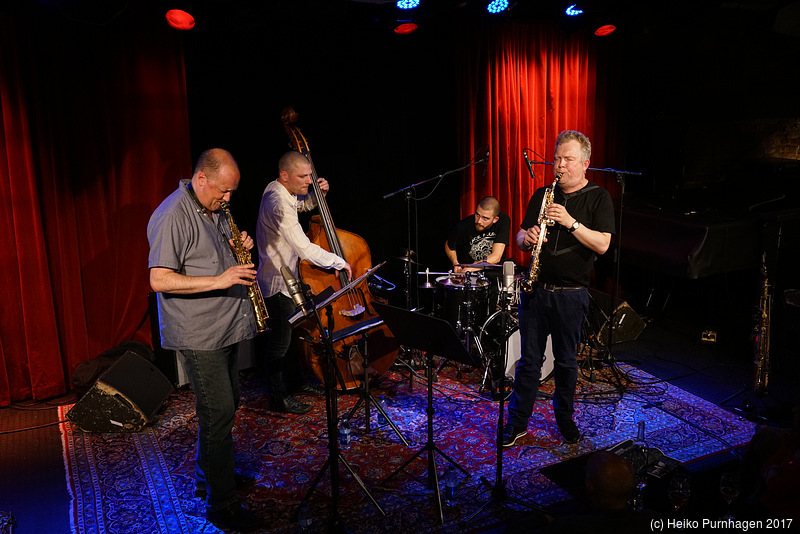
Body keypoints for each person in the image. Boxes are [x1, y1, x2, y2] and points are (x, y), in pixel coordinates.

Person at [147, 148, 262, 532]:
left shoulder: (212, 209)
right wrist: (220, 280)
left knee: (224, 410)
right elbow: (159, 279)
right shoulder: (171, 215)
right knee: (218, 414)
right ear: (201, 179)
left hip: (225, 326)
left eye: (231, 193)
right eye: (224, 191)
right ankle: (221, 503)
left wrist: (238, 248)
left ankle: (209, 477)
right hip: (201, 335)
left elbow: (209, 257)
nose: (228, 199)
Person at [503, 130, 615, 446]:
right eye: (557, 158)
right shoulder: (542, 194)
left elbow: (603, 244)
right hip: (536, 291)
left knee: (566, 362)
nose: (560, 165)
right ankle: (517, 422)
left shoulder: (598, 197)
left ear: (585, 163)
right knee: (529, 362)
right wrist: (527, 238)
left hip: (571, 295)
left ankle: (565, 420)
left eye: (568, 159)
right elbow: (520, 237)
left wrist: (570, 222)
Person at [256, 150, 352, 414]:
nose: (309, 180)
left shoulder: (280, 190)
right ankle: (278, 398)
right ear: (284, 175)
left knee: (291, 337)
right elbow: (304, 247)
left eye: (310, 175)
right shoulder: (277, 202)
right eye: (304, 176)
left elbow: (300, 205)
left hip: (286, 277)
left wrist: (315, 196)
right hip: (277, 282)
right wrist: (338, 261)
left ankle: (296, 383)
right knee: (280, 342)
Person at [445, 196, 511, 272]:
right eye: (477, 215)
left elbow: (496, 257)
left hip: (495, 274)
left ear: (495, 219)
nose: (479, 221)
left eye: (485, 218)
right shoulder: (464, 226)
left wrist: (471, 268)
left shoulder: (503, 221)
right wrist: (456, 263)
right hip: (472, 277)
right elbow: (449, 245)